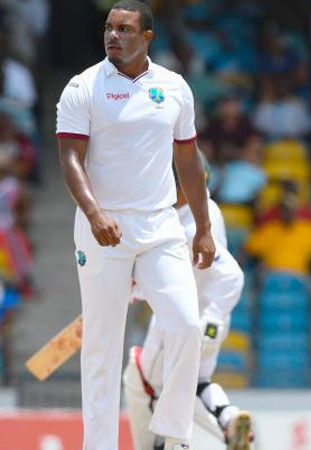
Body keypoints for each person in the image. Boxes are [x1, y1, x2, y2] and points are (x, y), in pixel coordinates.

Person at [55, 2, 214, 449]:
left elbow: (188, 159)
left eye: (124, 29)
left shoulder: (174, 87)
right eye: (109, 28)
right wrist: (94, 213)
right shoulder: (82, 86)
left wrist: (201, 227)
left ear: (147, 37)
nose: (113, 36)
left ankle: (170, 433)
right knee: (102, 345)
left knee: (185, 325)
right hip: (103, 229)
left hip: (161, 225)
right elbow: (70, 157)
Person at [123, 159, 253, 450]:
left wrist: (136, 286)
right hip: (209, 322)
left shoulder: (187, 223)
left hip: (183, 322)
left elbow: (231, 275)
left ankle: (164, 444)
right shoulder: (209, 210)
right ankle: (227, 417)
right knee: (197, 383)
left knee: (141, 380)